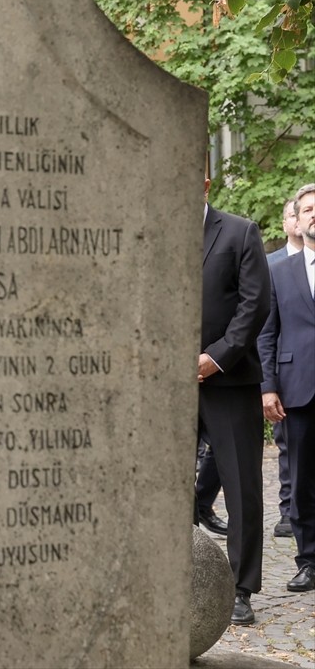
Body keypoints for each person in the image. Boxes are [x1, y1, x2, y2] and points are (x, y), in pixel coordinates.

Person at [198, 177, 272, 625]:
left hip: (229, 380)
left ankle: (241, 588)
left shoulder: (240, 232)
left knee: (242, 488)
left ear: (205, 184)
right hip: (167, 385)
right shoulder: (153, 230)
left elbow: (255, 304)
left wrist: (216, 358)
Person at [258, 183, 315, 593]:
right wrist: (268, 388)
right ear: (298, 218)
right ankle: (308, 561)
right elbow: (267, 335)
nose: (314, 214)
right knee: (302, 480)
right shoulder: (279, 272)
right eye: (308, 209)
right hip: (297, 390)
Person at [266, 197, 303, 537]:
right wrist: (269, 382)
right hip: (288, 371)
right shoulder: (272, 265)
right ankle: (288, 510)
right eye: (294, 214)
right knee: (289, 447)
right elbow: (266, 328)